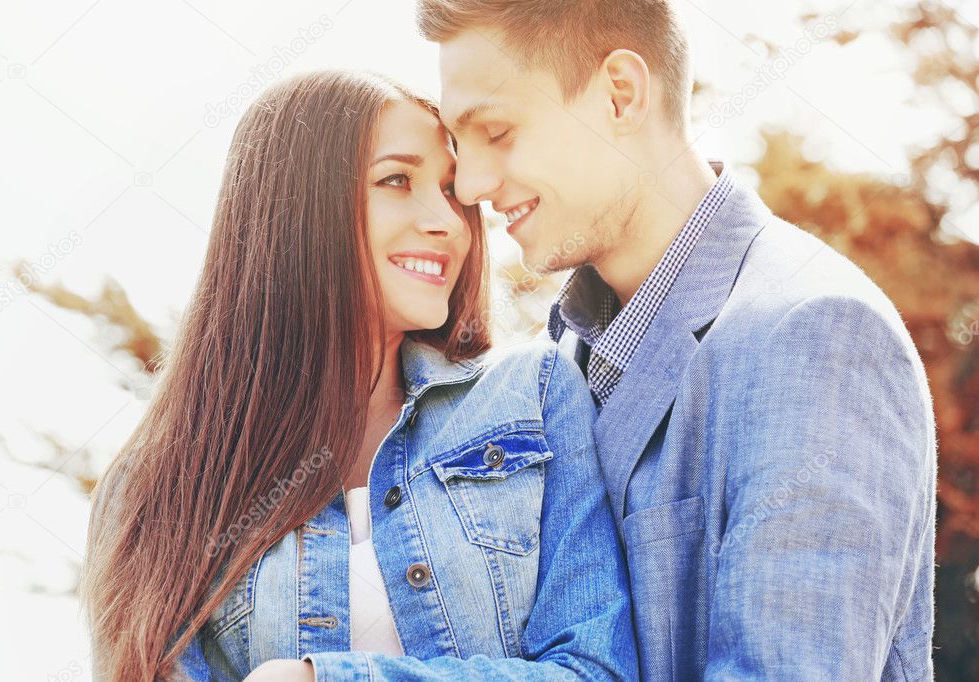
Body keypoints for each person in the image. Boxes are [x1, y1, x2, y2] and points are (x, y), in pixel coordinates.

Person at [417, 0, 937, 678]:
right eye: (461, 146)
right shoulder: (561, 363)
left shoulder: (814, 332)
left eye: (496, 130)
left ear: (619, 94)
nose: (471, 183)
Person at [80, 69, 635, 682]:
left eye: (451, 190)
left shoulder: (533, 395)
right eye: (397, 180)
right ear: (295, 209)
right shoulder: (153, 489)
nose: (448, 223)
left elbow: (598, 670)